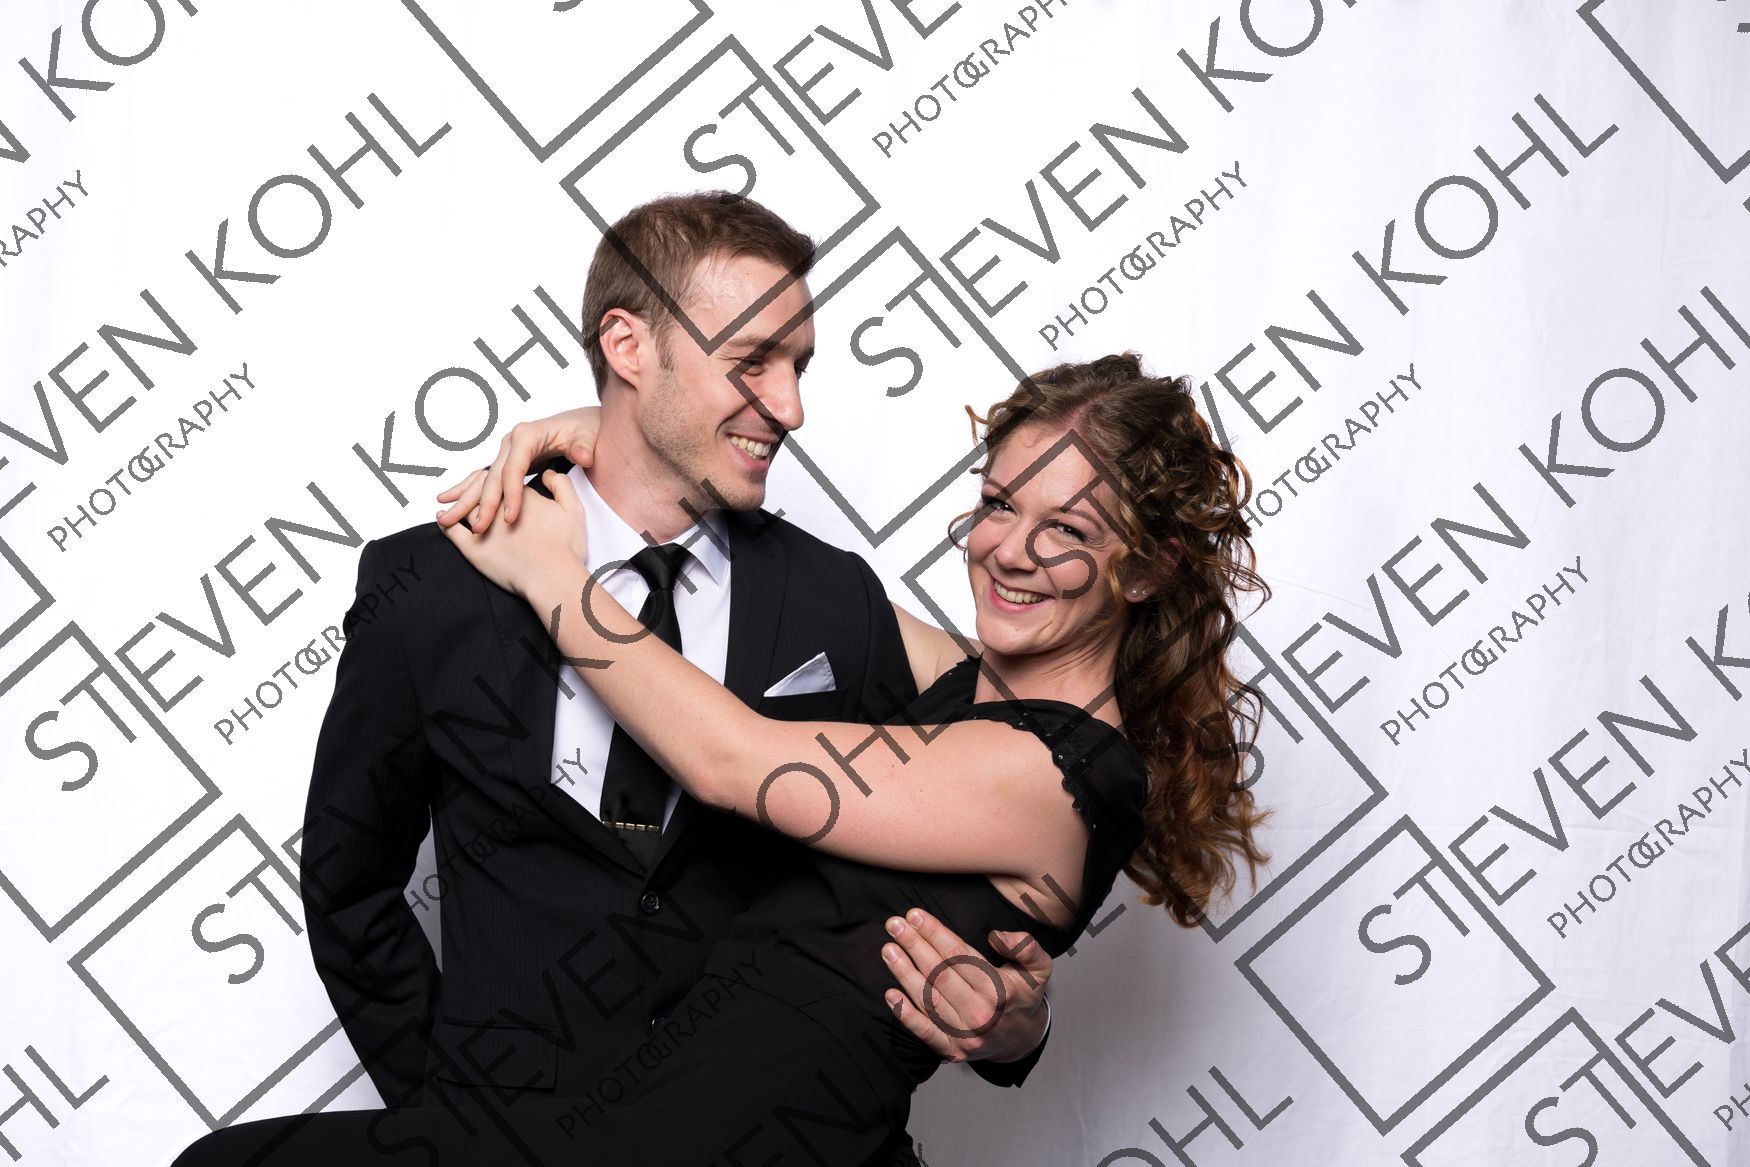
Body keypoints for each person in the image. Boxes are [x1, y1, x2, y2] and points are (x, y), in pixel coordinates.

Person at [173, 351, 1273, 1165]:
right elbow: (798, 582)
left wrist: (555, 576)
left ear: (1143, 571)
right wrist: (624, 440)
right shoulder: (965, 689)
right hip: (633, 1127)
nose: (1010, 551)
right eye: (997, 504)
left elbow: (734, 761)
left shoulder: (1055, 775)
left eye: (1068, 531)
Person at [290, 192, 1054, 1167]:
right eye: (752, 361)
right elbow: (349, 886)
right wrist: (454, 1115)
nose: (790, 407)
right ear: (627, 345)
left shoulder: (833, 599)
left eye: (799, 366)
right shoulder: (434, 584)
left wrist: (1021, 1024)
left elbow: (1032, 766)